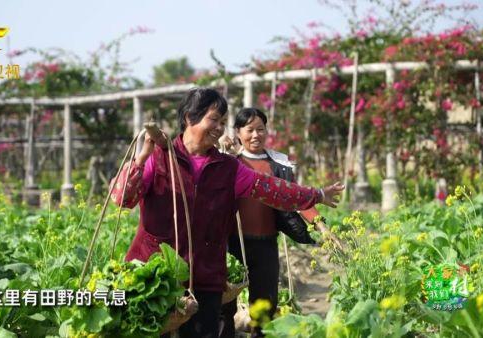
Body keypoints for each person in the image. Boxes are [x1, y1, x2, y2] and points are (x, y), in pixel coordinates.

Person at [109, 88, 344, 338]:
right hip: (155, 274)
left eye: (223, 122)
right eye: (214, 119)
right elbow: (122, 199)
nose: (219, 128)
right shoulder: (158, 158)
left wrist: (316, 194)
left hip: (205, 275)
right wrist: (141, 158)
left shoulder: (229, 167)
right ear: (190, 117)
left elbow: (272, 189)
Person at [219, 108, 340, 337]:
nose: (256, 135)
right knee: (225, 304)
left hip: (265, 244)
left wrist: (320, 225)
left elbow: (295, 197)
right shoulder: (228, 162)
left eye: (261, 129)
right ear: (237, 132)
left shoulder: (278, 164)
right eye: (250, 130)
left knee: (265, 303)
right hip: (232, 244)